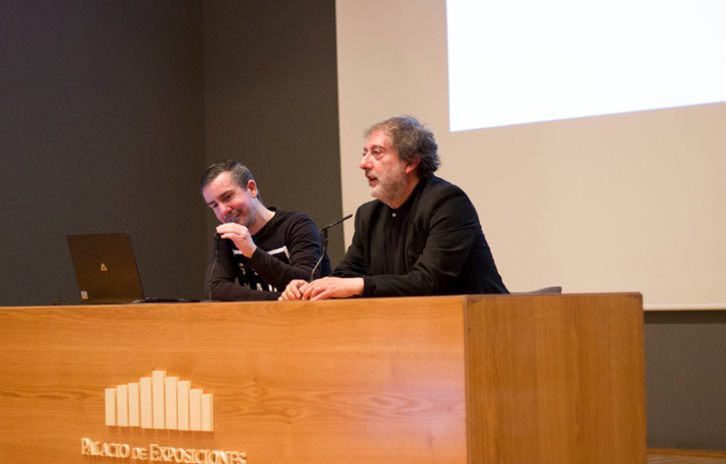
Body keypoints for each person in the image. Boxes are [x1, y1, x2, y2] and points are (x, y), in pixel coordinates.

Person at [280, 115, 507, 301]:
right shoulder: (369, 215)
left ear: (410, 162)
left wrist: (358, 285)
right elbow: (346, 275)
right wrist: (312, 288)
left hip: (484, 326)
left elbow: (429, 282)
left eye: (376, 153)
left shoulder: (447, 203)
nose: (363, 164)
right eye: (364, 153)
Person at [200, 160, 330, 300]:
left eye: (227, 197)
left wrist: (252, 253)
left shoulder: (298, 225)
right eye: (214, 205)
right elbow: (214, 290)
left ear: (251, 188)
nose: (223, 211)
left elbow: (305, 283)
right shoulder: (226, 236)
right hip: (261, 318)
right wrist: (279, 299)